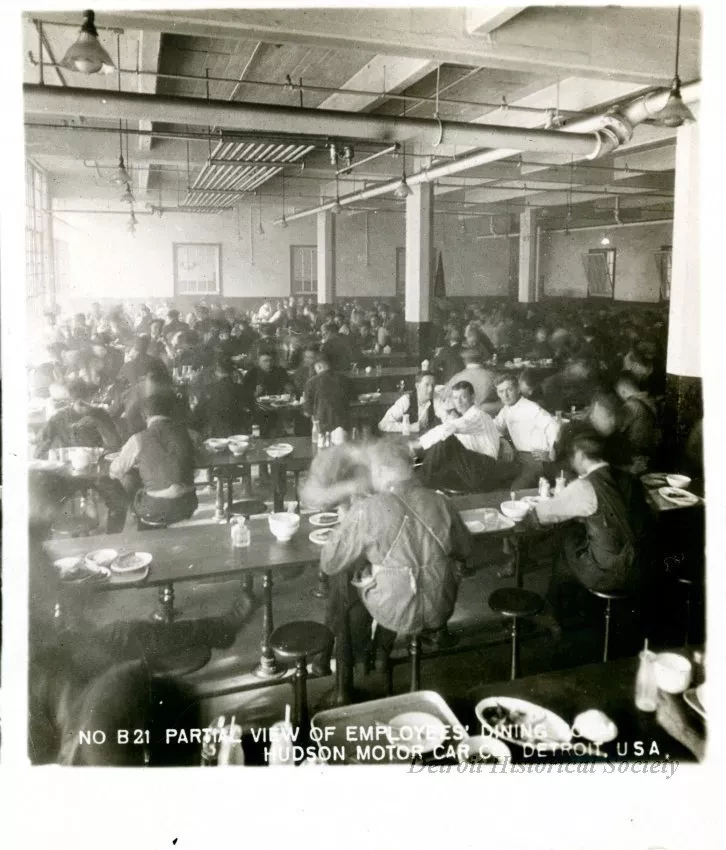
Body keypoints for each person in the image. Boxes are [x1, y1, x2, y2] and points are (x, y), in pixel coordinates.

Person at [314, 440, 470, 686]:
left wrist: (346, 522)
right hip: (439, 603)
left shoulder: (368, 509)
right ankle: (381, 652)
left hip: (396, 607)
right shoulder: (441, 502)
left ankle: (353, 666)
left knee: (347, 584)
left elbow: (330, 562)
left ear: (382, 470)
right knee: (394, 574)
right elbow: (465, 548)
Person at [534, 430, 650, 624]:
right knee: (584, 538)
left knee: (567, 541)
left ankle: (553, 612)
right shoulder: (631, 478)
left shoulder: (585, 486)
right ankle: (584, 605)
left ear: (579, 455)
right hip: (644, 566)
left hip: (613, 574)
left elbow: (543, 515)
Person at [109, 390, 198, 526]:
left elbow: (116, 471)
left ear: (145, 415)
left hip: (155, 509)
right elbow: (198, 461)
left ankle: (142, 526)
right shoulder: (189, 433)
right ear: (170, 412)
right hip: (187, 504)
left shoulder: (138, 439)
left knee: (129, 479)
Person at [415, 381, 514, 493]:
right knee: (436, 453)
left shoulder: (477, 415)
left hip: (484, 470)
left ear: (472, 397)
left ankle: (417, 485)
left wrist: (418, 443)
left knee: (446, 440)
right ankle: (419, 481)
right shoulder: (466, 417)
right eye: (455, 398)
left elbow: (450, 427)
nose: (459, 402)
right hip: (470, 470)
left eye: (463, 397)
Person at [493, 373, 560, 488]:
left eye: (509, 390)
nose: (505, 395)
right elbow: (494, 426)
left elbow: (554, 426)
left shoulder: (531, 408)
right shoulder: (506, 409)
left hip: (536, 460)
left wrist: (551, 453)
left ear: (518, 389)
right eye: (501, 391)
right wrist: (503, 441)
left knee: (516, 489)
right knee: (494, 479)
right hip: (520, 457)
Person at [35, 378, 121, 457]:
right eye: (80, 404)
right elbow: (41, 445)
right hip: (70, 463)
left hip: (98, 461)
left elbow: (115, 445)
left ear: (91, 397)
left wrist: (99, 425)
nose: (84, 408)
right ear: (71, 401)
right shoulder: (60, 417)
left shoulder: (101, 414)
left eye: (86, 401)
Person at [191, 354, 249, 439]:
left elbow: (198, 414)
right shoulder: (240, 388)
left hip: (215, 434)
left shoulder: (208, 389)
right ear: (232, 372)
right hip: (239, 433)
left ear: (216, 371)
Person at [378, 371, 443, 436]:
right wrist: (410, 427)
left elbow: (447, 418)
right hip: (404, 440)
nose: (430, 389)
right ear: (417, 386)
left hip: (424, 441)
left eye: (433, 385)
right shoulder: (406, 400)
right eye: (427, 385)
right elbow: (383, 425)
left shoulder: (436, 398)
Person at [302, 353, 352, 437]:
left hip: (322, 429)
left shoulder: (311, 383)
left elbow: (307, 412)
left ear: (318, 366)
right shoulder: (344, 379)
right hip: (344, 426)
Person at [444, 346, 498, 413]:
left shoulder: (456, 377)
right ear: (481, 360)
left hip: (461, 417)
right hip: (488, 416)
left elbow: (445, 400)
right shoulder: (492, 376)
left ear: (464, 361)